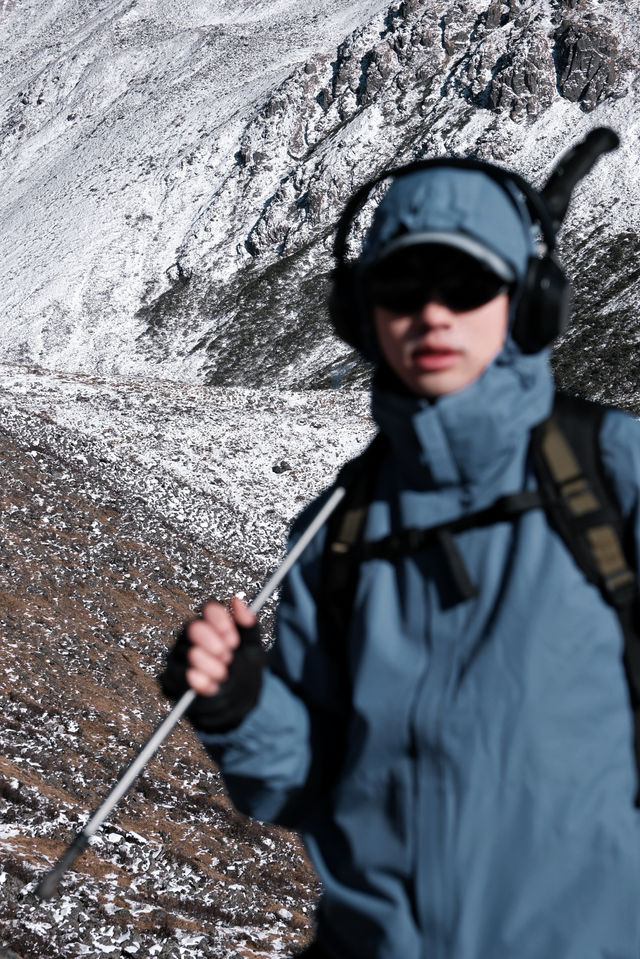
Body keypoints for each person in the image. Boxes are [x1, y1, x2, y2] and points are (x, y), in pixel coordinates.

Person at [160, 144, 640, 959]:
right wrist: (242, 708)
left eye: (466, 283)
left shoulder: (615, 473)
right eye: (401, 287)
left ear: (526, 302)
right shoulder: (336, 534)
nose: (432, 314)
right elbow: (306, 782)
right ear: (363, 313)